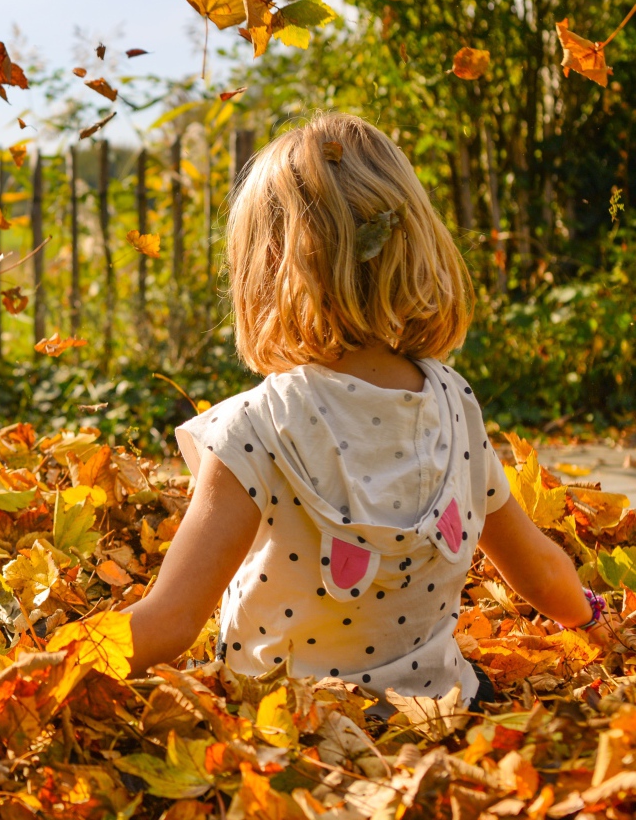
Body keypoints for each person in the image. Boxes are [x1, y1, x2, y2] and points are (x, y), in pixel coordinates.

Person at [123, 112, 617, 710]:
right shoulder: (454, 403)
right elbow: (537, 567)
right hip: (438, 709)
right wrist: (592, 622)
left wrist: (48, 667)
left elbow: (171, 620)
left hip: (288, 728)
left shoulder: (254, 428)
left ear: (269, 267)